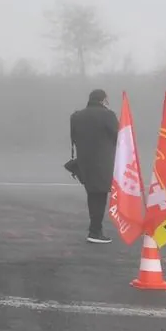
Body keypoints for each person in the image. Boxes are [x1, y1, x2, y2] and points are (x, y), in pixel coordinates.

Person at [69, 89, 119, 243]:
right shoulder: (108, 115)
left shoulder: (76, 116)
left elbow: (75, 138)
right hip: (103, 162)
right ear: (103, 100)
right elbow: (119, 137)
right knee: (99, 196)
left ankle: (95, 229)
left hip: (84, 162)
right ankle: (95, 231)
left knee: (93, 194)